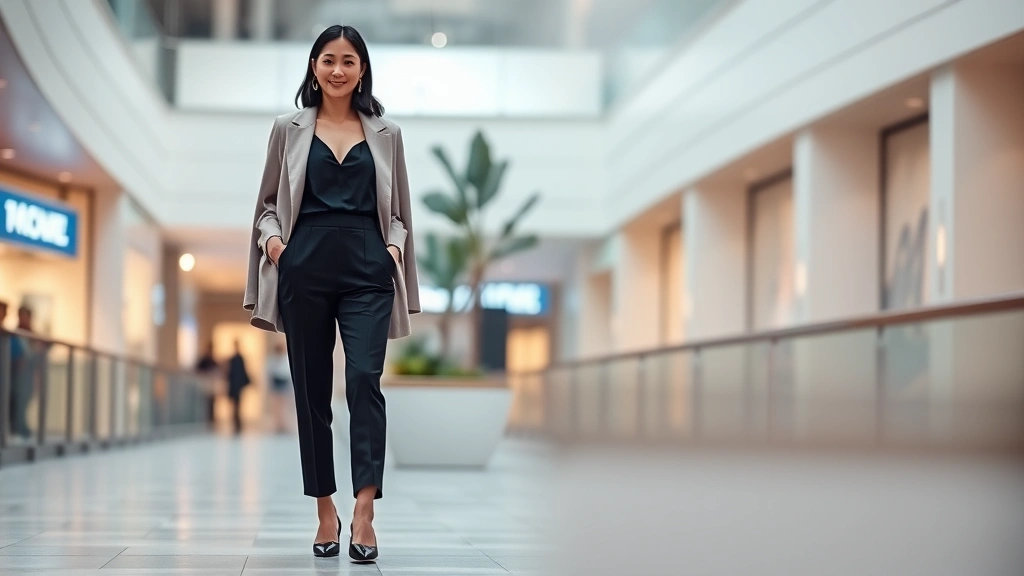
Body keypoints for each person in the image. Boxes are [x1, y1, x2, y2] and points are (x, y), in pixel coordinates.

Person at [243, 24, 420, 562]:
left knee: (365, 381)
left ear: (362, 69)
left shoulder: (387, 133)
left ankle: (364, 509)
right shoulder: (287, 128)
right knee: (311, 392)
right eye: (327, 60)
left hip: (368, 266)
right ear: (313, 67)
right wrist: (276, 247)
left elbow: (399, 213)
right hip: (305, 267)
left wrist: (391, 250)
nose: (337, 70)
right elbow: (268, 202)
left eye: (348, 60)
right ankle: (326, 508)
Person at [225, 340, 250, 435]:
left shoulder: (239, 358)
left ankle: (238, 424)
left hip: (237, 386)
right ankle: (236, 424)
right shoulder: (233, 359)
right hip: (234, 385)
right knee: (235, 406)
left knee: (237, 406)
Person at [266, 341, 291, 433]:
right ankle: (278, 424)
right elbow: (269, 373)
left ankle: (283, 424)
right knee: (277, 406)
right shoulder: (272, 360)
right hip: (277, 383)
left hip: (283, 383)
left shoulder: (285, 359)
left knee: (283, 406)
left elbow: (287, 373)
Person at [195, 342, 219, 428]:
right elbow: (197, 370)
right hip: (204, 386)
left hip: (211, 386)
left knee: (211, 404)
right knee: (203, 404)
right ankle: (204, 421)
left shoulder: (213, 360)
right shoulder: (204, 360)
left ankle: (210, 420)